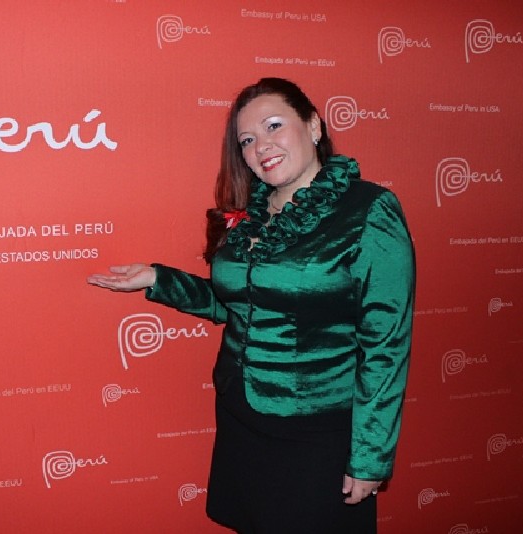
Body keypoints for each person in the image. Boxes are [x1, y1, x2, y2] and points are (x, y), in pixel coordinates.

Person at [87, 77, 415, 534]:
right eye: (247, 140)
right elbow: (240, 305)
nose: (261, 146)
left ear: (314, 126)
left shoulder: (368, 210)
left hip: (316, 431)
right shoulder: (249, 214)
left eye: (274, 126)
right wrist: (159, 280)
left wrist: (370, 456)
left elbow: (387, 344)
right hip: (241, 416)